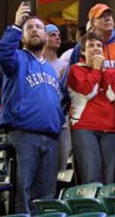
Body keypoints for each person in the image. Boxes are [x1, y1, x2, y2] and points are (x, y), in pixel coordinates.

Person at [0, 3, 64, 213]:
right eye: (29, 28)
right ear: (23, 37)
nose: (35, 30)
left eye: (39, 27)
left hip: (51, 138)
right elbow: (3, 54)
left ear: (46, 35)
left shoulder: (51, 70)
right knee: (22, 195)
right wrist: (16, 25)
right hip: (23, 135)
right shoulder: (16, 59)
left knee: (45, 196)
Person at [67, 32, 115, 184]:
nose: (96, 48)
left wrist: (103, 71)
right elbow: (88, 92)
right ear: (83, 51)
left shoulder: (112, 72)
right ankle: (90, 208)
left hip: (110, 128)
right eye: (91, 45)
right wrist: (97, 70)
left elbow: (113, 96)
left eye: (99, 45)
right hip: (84, 127)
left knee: (109, 179)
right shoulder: (75, 70)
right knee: (91, 175)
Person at [69, 3, 115, 69]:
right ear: (93, 23)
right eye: (101, 16)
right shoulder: (83, 45)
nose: (107, 19)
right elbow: (69, 76)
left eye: (109, 15)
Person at [43, 24, 71, 172]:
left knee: (60, 169)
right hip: (42, 124)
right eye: (52, 34)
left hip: (62, 125)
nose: (57, 37)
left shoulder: (65, 66)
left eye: (59, 35)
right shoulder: (36, 64)